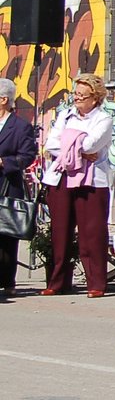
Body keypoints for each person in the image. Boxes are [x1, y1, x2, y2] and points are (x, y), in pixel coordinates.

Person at [41, 73, 115, 297]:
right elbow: (51, 144)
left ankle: (96, 283)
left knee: (91, 232)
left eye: (82, 95)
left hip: (92, 180)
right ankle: (58, 282)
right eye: (76, 94)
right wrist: (77, 148)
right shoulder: (65, 115)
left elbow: (94, 144)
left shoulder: (103, 118)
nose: (77, 98)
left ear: (95, 98)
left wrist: (70, 144)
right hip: (61, 176)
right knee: (60, 231)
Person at [0, 78, 40, 299]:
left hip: (7, 185)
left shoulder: (20, 126)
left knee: (6, 237)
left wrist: (4, 163)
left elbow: (27, 156)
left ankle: (7, 281)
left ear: (4, 100)